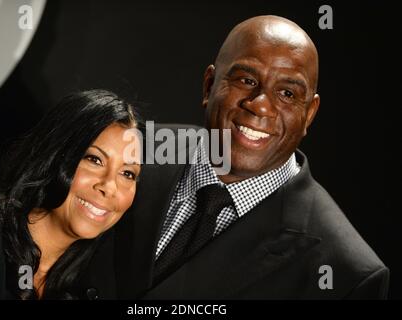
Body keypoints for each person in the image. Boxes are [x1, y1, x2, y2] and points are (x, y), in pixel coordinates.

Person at [78, 16, 389, 299]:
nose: (261, 106)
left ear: (309, 114)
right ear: (209, 85)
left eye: (287, 94)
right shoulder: (128, 151)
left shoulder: (347, 272)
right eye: (247, 81)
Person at [0, 89, 142, 299]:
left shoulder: (81, 291)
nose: (109, 186)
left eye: (127, 173)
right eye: (94, 160)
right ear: (55, 155)